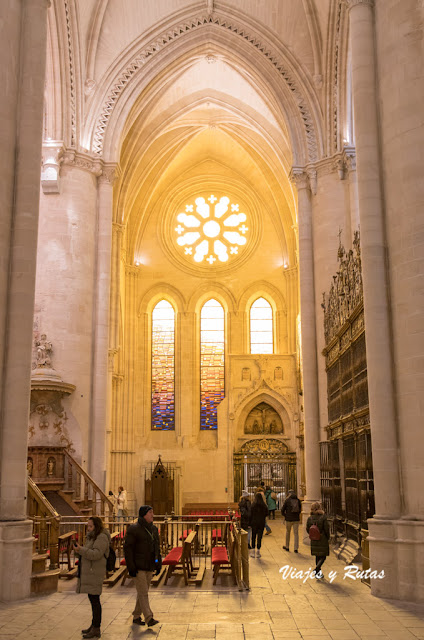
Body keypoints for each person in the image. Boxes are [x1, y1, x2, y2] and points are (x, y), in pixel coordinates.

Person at [124, 505, 162, 627]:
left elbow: (157, 548)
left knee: (142, 592)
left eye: (152, 512)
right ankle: (149, 617)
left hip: (149, 565)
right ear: (144, 514)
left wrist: (158, 563)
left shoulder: (154, 529)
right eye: (150, 512)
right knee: (144, 592)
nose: (153, 515)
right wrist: (131, 567)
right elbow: (128, 549)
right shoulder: (133, 529)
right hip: (138, 566)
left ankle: (136, 616)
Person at [74, 516, 111, 639]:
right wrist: (78, 549)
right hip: (91, 572)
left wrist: (81, 550)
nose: (88, 529)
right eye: (87, 526)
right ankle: (93, 625)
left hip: (95, 572)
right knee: (92, 600)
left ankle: (96, 628)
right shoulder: (92, 536)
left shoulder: (101, 537)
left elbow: (96, 554)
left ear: (96, 526)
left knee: (95, 601)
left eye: (90, 526)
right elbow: (87, 551)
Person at [306, 501, 330, 579]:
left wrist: (313, 534)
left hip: (314, 538)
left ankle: (318, 573)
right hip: (322, 538)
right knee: (323, 556)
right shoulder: (323, 517)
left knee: (317, 556)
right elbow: (326, 528)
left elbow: (307, 529)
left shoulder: (310, 518)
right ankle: (316, 569)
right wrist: (327, 537)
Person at [250, 492, 269, 558]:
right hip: (261, 522)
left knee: (253, 536)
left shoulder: (253, 505)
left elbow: (250, 514)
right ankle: (258, 551)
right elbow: (267, 514)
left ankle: (252, 551)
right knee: (260, 536)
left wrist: (249, 523)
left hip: (254, 522)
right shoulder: (264, 505)